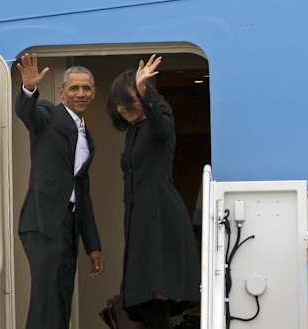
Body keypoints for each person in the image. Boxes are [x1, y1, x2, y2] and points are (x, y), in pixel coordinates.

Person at [106, 54, 200, 329]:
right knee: (140, 300)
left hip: (160, 216)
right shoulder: (133, 131)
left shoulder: (162, 123)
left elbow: (159, 125)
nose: (122, 109)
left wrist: (144, 91)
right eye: (118, 104)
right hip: (139, 220)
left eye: (129, 101)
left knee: (155, 294)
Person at [15, 53, 104, 329]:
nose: (80, 93)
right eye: (74, 88)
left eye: (86, 88)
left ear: (93, 93)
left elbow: (82, 190)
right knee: (47, 298)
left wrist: (93, 244)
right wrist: (28, 89)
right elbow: (27, 113)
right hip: (43, 221)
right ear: (61, 91)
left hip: (68, 223)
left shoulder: (86, 132)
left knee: (62, 295)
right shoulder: (48, 114)